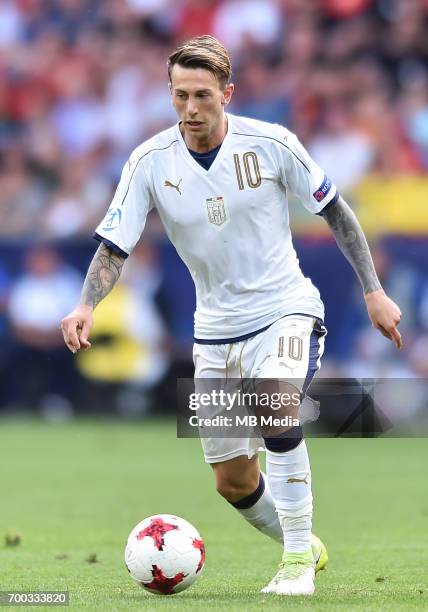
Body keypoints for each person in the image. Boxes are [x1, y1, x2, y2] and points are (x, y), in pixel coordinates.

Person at [61, 35, 402, 596]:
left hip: (285, 310)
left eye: (201, 95)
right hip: (214, 333)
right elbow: (114, 245)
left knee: (275, 399)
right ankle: (305, 547)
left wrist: (373, 290)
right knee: (233, 480)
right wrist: (85, 304)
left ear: (227, 92)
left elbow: (336, 211)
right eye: (179, 96)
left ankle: (295, 563)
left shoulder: (272, 144)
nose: (190, 109)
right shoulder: (149, 161)